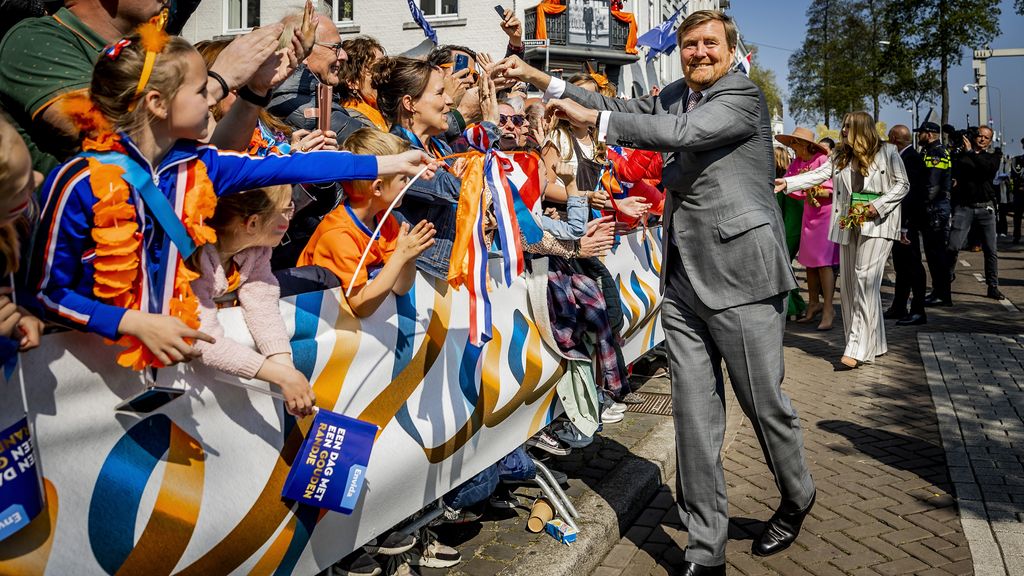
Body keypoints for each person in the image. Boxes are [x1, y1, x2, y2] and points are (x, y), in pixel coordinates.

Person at [496, 10, 816, 573]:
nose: (698, 53)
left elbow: (681, 136)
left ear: (729, 49)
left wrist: (592, 126)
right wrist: (544, 80)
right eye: (689, 45)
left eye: (709, 43)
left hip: (743, 278)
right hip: (683, 284)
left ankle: (796, 493)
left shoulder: (740, 96)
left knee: (765, 407)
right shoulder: (672, 93)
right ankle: (705, 549)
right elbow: (622, 108)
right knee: (694, 420)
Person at [30, 24, 434, 371]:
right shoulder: (78, 183)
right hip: (89, 371)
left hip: (172, 364)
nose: (213, 96)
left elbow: (293, 168)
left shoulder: (198, 166)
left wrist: (388, 164)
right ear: (156, 104)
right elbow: (47, 294)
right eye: (200, 89)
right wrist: (132, 323)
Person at [0, 1, 292, 169]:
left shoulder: (150, 54)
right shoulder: (34, 40)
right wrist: (219, 80)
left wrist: (255, 90)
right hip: (86, 261)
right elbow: (109, 138)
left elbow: (217, 152)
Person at [781, 111, 909, 369]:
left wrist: (878, 206)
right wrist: (785, 183)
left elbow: (902, 185)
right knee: (851, 286)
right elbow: (818, 176)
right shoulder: (840, 156)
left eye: (848, 126)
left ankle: (856, 347)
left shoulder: (888, 153)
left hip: (878, 225)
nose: (842, 130)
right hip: (848, 224)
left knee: (865, 280)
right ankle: (876, 342)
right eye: (843, 125)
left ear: (862, 129)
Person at [190, 185, 316, 417]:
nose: (292, 213)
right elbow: (203, 339)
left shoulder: (256, 250)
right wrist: (280, 376)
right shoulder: (194, 261)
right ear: (253, 224)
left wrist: (287, 370)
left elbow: (262, 304)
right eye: (287, 207)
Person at [374, 55, 500, 280]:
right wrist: (489, 128)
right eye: (440, 93)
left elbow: (483, 188)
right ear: (409, 103)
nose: (450, 100)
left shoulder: (439, 147)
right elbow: (460, 189)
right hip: (417, 280)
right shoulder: (396, 152)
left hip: (446, 274)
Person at [298, 129, 437, 317]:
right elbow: (361, 307)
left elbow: (400, 287)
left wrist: (408, 258)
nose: (407, 184)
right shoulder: (339, 235)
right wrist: (400, 256)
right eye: (403, 178)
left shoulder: (385, 221)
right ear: (378, 187)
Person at [776, 127, 838, 330]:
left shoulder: (822, 160)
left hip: (824, 215)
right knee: (809, 263)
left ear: (806, 145)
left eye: (795, 143)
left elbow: (831, 191)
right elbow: (791, 185)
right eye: (791, 144)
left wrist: (810, 189)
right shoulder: (797, 162)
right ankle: (813, 304)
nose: (792, 148)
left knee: (823, 263)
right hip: (809, 215)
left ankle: (828, 308)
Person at [0, 115, 45, 365]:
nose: (38, 179)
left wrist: (22, 312)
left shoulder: (13, 225)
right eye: (21, 188)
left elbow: (13, 289)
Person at [947, 125, 1004, 300]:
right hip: (964, 207)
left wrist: (971, 153)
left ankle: (992, 286)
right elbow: (954, 170)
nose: (981, 139)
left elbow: (986, 171)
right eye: (979, 135)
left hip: (985, 208)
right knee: (953, 246)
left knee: (990, 249)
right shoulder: (961, 155)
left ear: (990, 140)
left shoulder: (994, 156)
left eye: (986, 137)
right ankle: (946, 279)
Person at [884, 125, 929, 325]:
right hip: (901, 220)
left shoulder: (911, 159)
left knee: (913, 266)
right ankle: (899, 305)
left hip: (907, 222)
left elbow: (910, 195)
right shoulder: (906, 157)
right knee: (901, 266)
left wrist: (905, 225)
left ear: (894, 138)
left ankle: (918, 310)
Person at [913, 121, 954, 307]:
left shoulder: (936, 153)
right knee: (933, 253)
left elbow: (932, 183)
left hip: (935, 209)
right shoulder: (932, 151)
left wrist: (922, 204)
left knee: (936, 254)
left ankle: (942, 294)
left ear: (929, 134)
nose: (918, 136)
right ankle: (939, 291)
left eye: (920, 133)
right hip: (935, 207)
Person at [338, 36, 388, 132]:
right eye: (377, 69)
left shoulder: (380, 111)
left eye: (385, 65)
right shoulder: (354, 121)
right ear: (352, 82)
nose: (384, 74)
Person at [1011, 138, 1024, 244]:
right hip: (1019, 192)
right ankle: (1016, 236)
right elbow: (1015, 174)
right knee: (1017, 217)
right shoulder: (1017, 160)